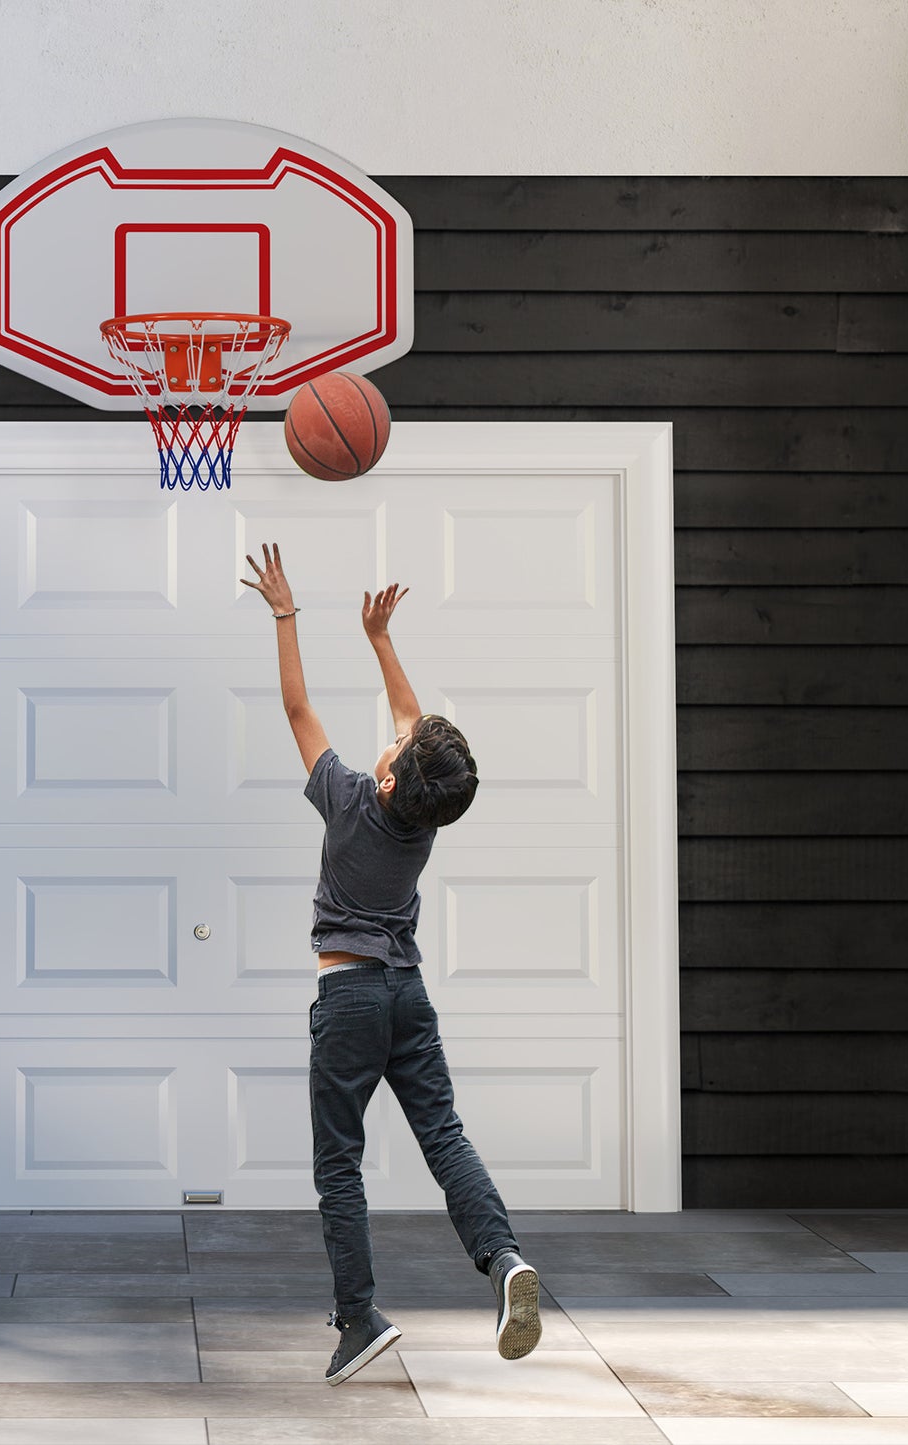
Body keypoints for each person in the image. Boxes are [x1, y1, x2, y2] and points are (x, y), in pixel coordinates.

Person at [241, 541, 542, 1386]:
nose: (392, 738)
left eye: (393, 747)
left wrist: (284, 613)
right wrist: (379, 639)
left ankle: (358, 1317)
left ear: (384, 780)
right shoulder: (424, 819)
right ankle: (502, 1257)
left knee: (339, 1162)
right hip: (407, 993)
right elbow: (412, 723)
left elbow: (296, 705)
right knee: (442, 1133)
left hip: (348, 998)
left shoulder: (347, 800)